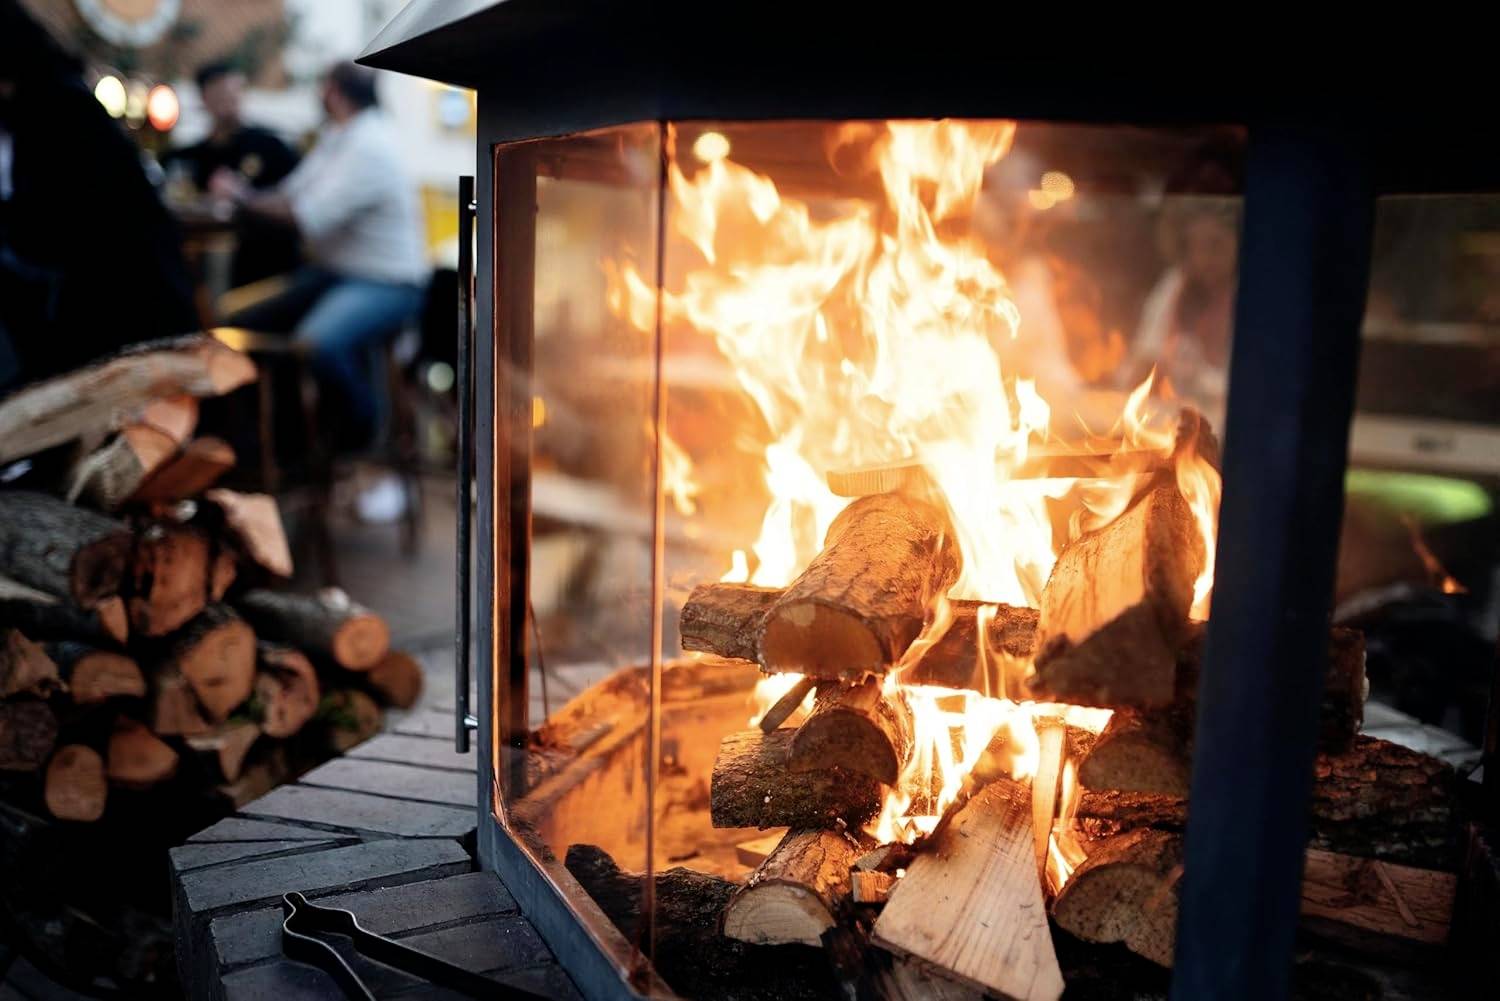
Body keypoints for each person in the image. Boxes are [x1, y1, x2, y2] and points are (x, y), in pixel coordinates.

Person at [212, 61, 427, 450]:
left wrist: (240, 197)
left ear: (333, 91)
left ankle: (364, 440)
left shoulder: (371, 145)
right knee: (235, 318)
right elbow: (290, 193)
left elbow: (304, 216)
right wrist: (249, 196)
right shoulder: (338, 138)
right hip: (334, 274)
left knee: (319, 343)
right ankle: (267, 446)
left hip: (389, 282)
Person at [0, 1, 198, 391]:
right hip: (80, 307)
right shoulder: (31, 112)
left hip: (115, 311)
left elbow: (58, 227)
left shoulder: (60, 111)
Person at [165, 60, 301, 286]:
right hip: (196, 256)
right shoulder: (186, 157)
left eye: (233, 92)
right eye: (219, 93)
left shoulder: (270, 147)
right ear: (204, 98)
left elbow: (296, 199)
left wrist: (242, 195)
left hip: (260, 262)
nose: (228, 100)